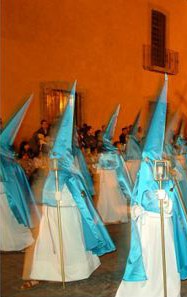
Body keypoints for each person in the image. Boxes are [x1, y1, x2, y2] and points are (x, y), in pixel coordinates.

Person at [115, 75, 187, 297]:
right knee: (150, 254)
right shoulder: (146, 164)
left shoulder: (159, 161)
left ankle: (166, 287)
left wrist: (167, 195)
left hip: (164, 219)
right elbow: (141, 194)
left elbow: (168, 193)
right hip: (150, 221)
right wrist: (158, 198)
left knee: (164, 254)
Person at [23, 85, 115, 289]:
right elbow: (49, 184)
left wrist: (70, 193)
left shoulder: (71, 164)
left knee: (71, 235)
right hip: (54, 205)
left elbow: (78, 185)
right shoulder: (56, 159)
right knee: (51, 238)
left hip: (69, 207)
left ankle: (76, 267)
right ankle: (46, 269)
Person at [0, 96, 39, 252]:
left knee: (7, 215)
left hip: (4, 187)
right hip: (4, 185)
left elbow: (10, 168)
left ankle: (16, 241)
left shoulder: (5, 149)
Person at [96, 105, 133, 224]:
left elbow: (99, 168)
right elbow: (120, 167)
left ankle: (106, 215)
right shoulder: (114, 152)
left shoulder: (102, 153)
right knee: (115, 195)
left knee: (106, 196)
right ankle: (115, 215)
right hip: (112, 177)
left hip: (105, 178)